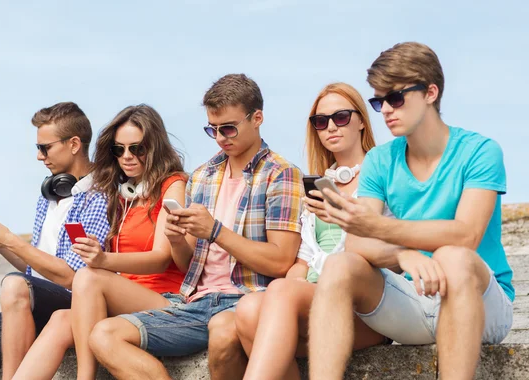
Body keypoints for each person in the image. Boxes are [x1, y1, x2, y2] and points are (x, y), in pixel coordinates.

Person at [308, 42, 514, 380]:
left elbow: (466, 234)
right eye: (378, 101)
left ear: (431, 92)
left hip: (479, 303)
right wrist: (404, 255)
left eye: (396, 98)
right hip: (415, 299)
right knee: (340, 264)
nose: (386, 109)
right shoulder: (379, 159)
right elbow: (357, 244)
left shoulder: (481, 151)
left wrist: (380, 228)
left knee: (453, 257)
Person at [85, 73, 304, 380]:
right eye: (211, 129)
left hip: (247, 301)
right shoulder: (203, 176)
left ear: (257, 118)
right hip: (195, 303)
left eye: (228, 128)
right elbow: (189, 263)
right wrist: (176, 239)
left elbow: (281, 261)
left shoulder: (281, 175)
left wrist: (215, 231)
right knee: (103, 335)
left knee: (223, 333)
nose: (219, 137)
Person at [0, 102, 109, 380]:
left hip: (71, 305)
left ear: (74, 144)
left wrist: (10, 240)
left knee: (14, 284)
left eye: (44, 148)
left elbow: (72, 277)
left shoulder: (100, 196)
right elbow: (34, 269)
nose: (39, 156)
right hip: (29, 304)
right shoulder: (49, 195)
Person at [11, 104, 188, 380]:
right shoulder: (121, 196)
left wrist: (104, 260)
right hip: (121, 301)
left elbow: (162, 256)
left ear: (154, 148)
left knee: (88, 276)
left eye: (137, 148)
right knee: (60, 319)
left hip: (165, 299)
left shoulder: (172, 185)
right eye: (119, 149)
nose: (127, 156)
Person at [235, 82, 390, 380]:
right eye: (321, 122)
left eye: (341, 117)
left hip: (363, 305)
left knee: (278, 292)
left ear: (360, 121)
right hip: (315, 303)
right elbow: (303, 263)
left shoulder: (382, 172)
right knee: (248, 309)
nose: (330, 126)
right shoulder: (318, 186)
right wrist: (291, 285)